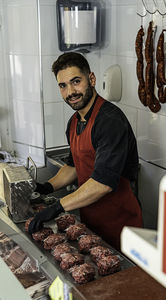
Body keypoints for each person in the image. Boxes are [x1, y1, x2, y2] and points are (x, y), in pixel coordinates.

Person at [28, 52, 143, 251]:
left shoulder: (109, 121)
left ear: (91, 79)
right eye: (63, 86)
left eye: (76, 81)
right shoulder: (73, 123)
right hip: (91, 222)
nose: (70, 91)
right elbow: (74, 166)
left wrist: (58, 207)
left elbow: (103, 183)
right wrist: (45, 187)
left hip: (120, 225)